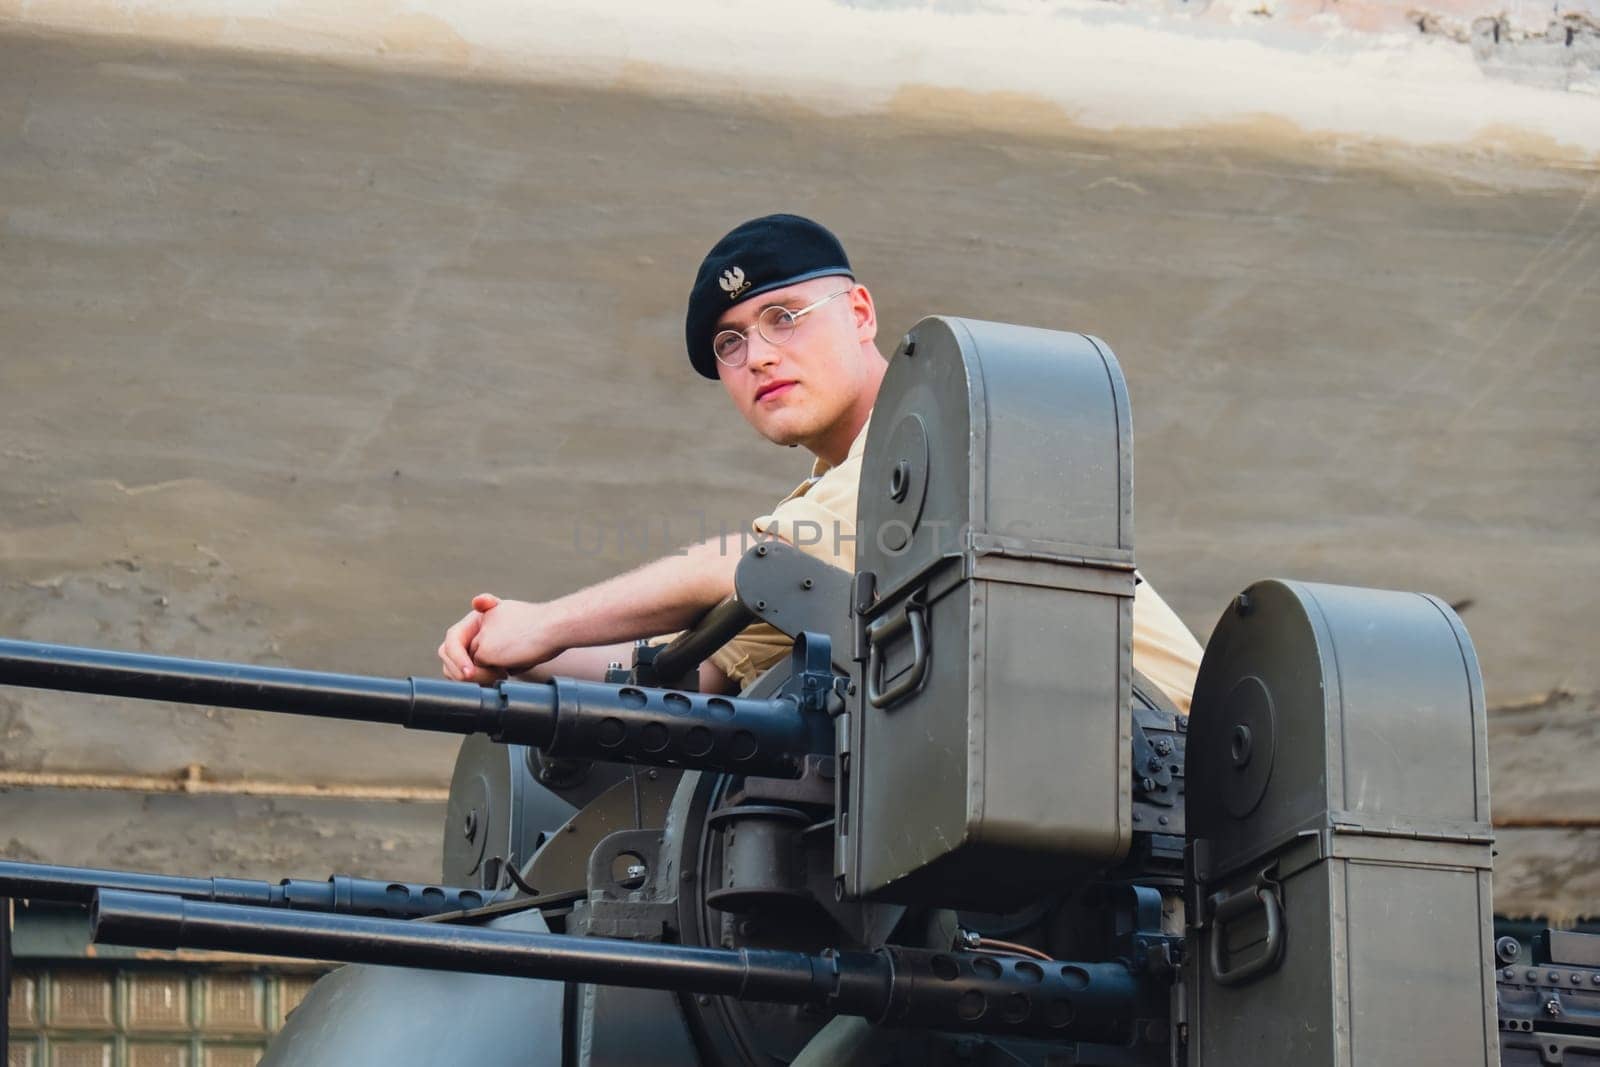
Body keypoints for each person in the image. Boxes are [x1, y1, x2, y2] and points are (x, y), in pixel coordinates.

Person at [439, 214, 1203, 711]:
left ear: (862, 312)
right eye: (729, 343)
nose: (758, 355)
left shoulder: (935, 428)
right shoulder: (832, 496)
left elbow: (740, 566)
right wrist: (514, 657)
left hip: (1166, 764)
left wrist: (542, 623)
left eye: (782, 317)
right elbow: (699, 671)